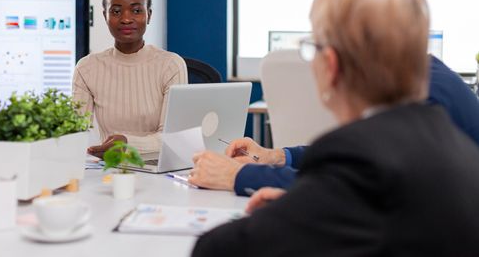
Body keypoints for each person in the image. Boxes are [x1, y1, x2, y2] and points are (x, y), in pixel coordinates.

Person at [191, 0, 479, 256]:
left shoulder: (360, 159)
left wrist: (299, 210)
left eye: (312, 48)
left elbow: (213, 249)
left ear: (330, 65)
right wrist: (314, 201)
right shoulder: (451, 142)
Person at [189, 55, 479, 196]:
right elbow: (355, 156)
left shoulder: (420, 99)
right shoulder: (414, 74)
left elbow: (350, 184)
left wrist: (239, 176)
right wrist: (275, 156)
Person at [73, 0, 187, 156]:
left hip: (159, 167)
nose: (126, 19)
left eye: (136, 10)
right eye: (116, 11)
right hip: (110, 168)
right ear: (105, 16)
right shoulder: (87, 68)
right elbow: (76, 134)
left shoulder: (171, 65)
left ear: (148, 15)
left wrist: (127, 143)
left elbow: (172, 138)